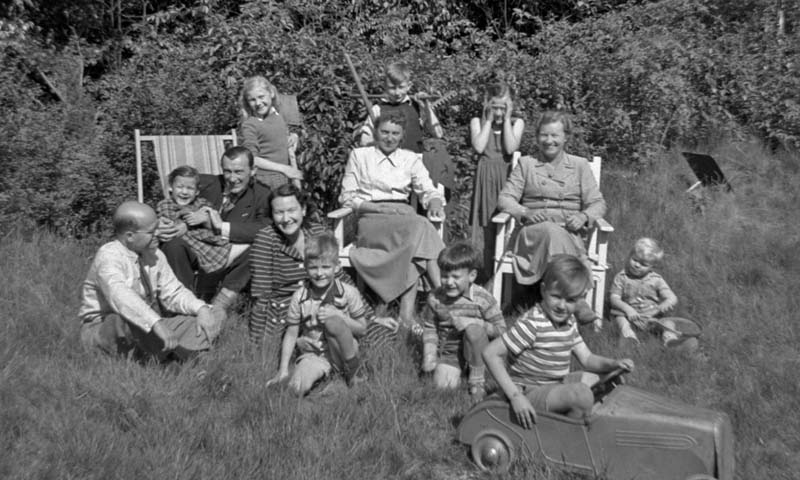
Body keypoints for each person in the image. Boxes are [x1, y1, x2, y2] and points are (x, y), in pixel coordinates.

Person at [483, 255, 634, 426]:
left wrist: (614, 364)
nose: (562, 305)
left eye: (570, 300)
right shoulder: (533, 323)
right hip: (529, 390)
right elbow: (490, 353)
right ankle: (566, 436)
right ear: (543, 290)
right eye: (556, 296)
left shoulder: (569, 322)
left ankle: (586, 418)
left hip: (554, 385)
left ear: (580, 299)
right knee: (582, 395)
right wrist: (516, 397)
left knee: (609, 380)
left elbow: (588, 359)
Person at [249, 183, 396, 348]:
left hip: (323, 303)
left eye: (291, 210)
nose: (286, 218)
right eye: (279, 212)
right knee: (318, 343)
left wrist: (370, 316)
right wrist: (258, 343)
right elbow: (261, 296)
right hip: (288, 314)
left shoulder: (317, 232)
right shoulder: (266, 239)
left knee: (383, 337)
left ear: (303, 210)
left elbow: (341, 278)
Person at [79, 201, 225, 360]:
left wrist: (201, 309)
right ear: (130, 236)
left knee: (216, 312)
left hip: (150, 326)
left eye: (158, 227)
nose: (158, 233)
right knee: (121, 319)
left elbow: (174, 292)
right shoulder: (109, 255)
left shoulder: (155, 254)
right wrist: (155, 323)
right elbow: (120, 295)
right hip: (106, 327)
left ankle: (166, 355)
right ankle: (174, 356)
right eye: (151, 231)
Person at [497, 110, 605, 325]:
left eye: (555, 135)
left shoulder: (579, 165)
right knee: (549, 230)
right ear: (537, 137)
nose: (549, 141)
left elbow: (598, 203)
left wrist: (584, 216)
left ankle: (554, 307)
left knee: (556, 233)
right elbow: (505, 198)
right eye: (544, 135)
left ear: (566, 137)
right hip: (533, 235)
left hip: (570, 233)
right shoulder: (527, 164)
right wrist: (525, 212)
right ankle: (578, 299)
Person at [340, 111, 446, 328]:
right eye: (384, 132)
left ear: (402, 136)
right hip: (372, 218)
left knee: (417, 236)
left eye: (395, 133)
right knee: (421, 227)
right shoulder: (360, 156)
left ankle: (406, 317)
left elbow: (427, 189)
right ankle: (443, 296)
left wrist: (435, 200)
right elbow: (347, 198)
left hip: (405, 219)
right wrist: (380, 209)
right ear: (376, 132)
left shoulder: (409, 158)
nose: (389, 137)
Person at [158, 146, 271, 313]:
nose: (232, 178)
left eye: (239, 172)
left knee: (260, 247)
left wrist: (220, 226)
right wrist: (160, 222)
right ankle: (180, 305)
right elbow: (178, 191)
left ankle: (220, 305)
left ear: (253, 170)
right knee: (173, 245)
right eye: (227, 171)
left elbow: (265, 228)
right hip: (195, 247)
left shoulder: (262, 195)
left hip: (231, 255)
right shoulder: (208, 183)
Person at [266, 232, 368, 395]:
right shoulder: (299, 296)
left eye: (326, 267)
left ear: (337, 266)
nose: (319, 273)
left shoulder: (348, 292)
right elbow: (291, 334)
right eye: (313, 267)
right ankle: (325, 376)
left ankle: (351, 375)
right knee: (296, 388)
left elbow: (362, 329)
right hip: (314, 354)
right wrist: (283, 370)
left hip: (344, 351)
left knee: (333, 322)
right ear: (306, 268)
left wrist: (341, 317)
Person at [421, 241, 506, 397]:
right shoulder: (435, 298)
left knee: (473, 330)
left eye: (455, 277)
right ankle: (458, 372)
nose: (449, 282)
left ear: (472, 276)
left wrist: (475, 322)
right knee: (443, 388)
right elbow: (430, 328)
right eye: (445, 276)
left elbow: (502, 331)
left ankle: (477, 380)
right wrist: (430, 354)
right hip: (450, 353)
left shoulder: (483, 299)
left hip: (481, 353)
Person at [469, 80, 524, 278]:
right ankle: (481, 271)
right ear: (487, 105)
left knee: (504, 223)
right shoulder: (478, 122)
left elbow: (510, 148)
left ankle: (502, 272)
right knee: (484, 224)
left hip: (506, 177)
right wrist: (489, 121)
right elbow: (479, 147)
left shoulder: (517, 123)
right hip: (485, 178)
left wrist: (508, 118)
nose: (499, 113)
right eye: (495, 107)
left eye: (504, 107)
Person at [156, 165, 248, 274]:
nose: (184, 192)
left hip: (210, 244)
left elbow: (215, 220)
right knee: (174, 244)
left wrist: (205, 218)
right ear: (170, 188)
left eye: (190, 188)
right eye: (180, 187)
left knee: (249, 248)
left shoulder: (202, 203)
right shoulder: (165, 204)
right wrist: (189, 221)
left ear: (197, 192)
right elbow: (172, 224)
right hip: (186, 246)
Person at [609, 237, 681, 347]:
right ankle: (629, 335)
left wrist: (666, 304)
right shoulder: (622, 277)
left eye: (643, 264)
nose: (637, 265)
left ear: (652, 266)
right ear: (630, 256)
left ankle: (669, 338)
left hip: (653, 316)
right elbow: (614, 298)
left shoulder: (656, 279)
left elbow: (672, 297)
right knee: (619, 317)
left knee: (668, 322)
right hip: (631, 316)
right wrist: (628, 309)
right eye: (635, 260)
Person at [356, 61, 443, 153]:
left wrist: (426, 108)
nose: (397, 93)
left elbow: (438, 134)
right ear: (385, 86)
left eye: (401, 87)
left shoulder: (417, 106)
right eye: (392, 88)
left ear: (409, 86)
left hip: (414, 162)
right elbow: (365, 142)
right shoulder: (377, 110)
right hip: (388, 164)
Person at [239, 75, 304, 189]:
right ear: (247, 102)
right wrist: (284, 169)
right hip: (265, 179)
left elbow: (281, 137)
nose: (258, 103)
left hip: (287, 175)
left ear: (271, 94)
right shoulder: (250, 125)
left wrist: (294, 136)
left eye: (261, 97)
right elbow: (252, 159)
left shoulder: (279, 115)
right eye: (252, 100)